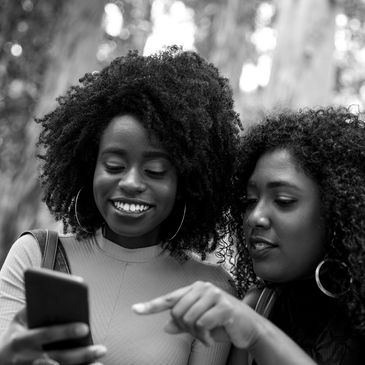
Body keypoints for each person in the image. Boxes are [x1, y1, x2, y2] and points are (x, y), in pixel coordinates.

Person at [0, 46, 241, 365]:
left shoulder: (211, 291)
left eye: (155, 171)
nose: (130, 182)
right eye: (114, 165)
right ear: (90, 168)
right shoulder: (35, 256)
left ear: (185, 184)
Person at [132, 107, 365, 365]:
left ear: (338, 212)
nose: (255, 217)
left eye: (283, 200)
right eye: (249, 200)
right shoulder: (258, 305)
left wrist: (256, 333)